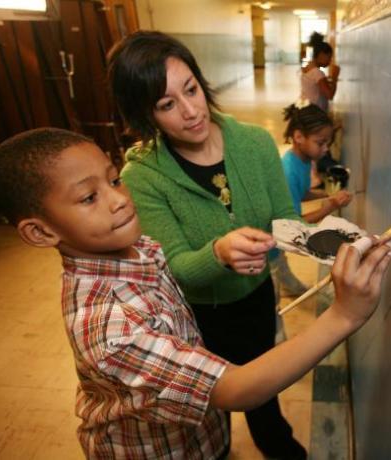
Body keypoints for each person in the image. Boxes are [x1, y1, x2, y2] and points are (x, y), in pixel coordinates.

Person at [0, 127, 391, 459]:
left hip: (198, 433)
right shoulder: (111, 325)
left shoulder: (136, 248)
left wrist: (221, 252)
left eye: (113, 180)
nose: (119, 201)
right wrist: (344, 315)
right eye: (90, 197)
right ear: (40, 231)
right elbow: (236, 389)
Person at [106, 30, 307, 458]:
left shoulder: (254, 142)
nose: (191, 111)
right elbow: (173, 265)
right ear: (147, 116)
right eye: (167, 104)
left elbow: (287, 218)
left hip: (255, 300)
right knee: (205, 411)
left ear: (201, 81)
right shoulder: (143, 176)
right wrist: (218, 253)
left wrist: (318, 242)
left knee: (261, 395)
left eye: (191, 89)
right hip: (194, 318)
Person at [281, 101, 352, 223]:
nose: (326, 149)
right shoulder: (289, 173)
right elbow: (294, 225)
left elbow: (301, 194)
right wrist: (330, 207)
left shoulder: (304, 159)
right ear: (299, 137)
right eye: (320, 143)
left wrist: (329, 195)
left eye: (327, 143)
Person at [300, 32, 340, 113]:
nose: (330, 60)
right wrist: (335, 77)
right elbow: (329, 95)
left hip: (305, 107)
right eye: (329, 57)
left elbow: (313, 84)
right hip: (314, 113)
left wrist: (326, 80)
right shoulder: (317, 73)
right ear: (321, 55)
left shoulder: (307, 67)